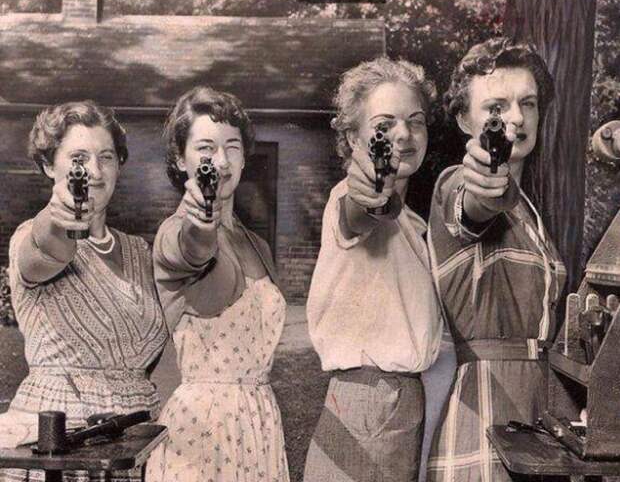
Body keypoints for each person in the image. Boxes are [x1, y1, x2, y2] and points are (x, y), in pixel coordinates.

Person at [0, 101, 168, 482]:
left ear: (119, 165)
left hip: (132, 441)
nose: (93, 170)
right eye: (78, 158)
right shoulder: (29, 235)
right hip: (59, 442)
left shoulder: (139, 251)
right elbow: (48, 249)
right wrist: (58, 219)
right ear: (49, 165)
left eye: (106, 157)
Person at [425, 37, 566, 482]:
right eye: (496, 107)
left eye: (528, 103)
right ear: (465, 119)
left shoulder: (530, 212)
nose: (517, 118)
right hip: (484, 413)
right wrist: (487, 187)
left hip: (538, 409)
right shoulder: (454, 183)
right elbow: (473, 206)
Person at [303, 57, 444, 482]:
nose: (403, 134)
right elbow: (360, 211)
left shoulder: (414, 223)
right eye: (384, 125)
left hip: (398, 398)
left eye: (415, 121)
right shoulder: (347, 197)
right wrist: (372, 194)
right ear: (353, 137)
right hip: (373, 397)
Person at [145, 86, 289, 482]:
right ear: (181, 159)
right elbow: (192, 249)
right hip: (200, 430)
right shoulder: (175, 231)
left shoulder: (257, 244)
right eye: (206, 148)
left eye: (232, 147)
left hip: (259, 424)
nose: (221, 161)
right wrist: (202, 226)